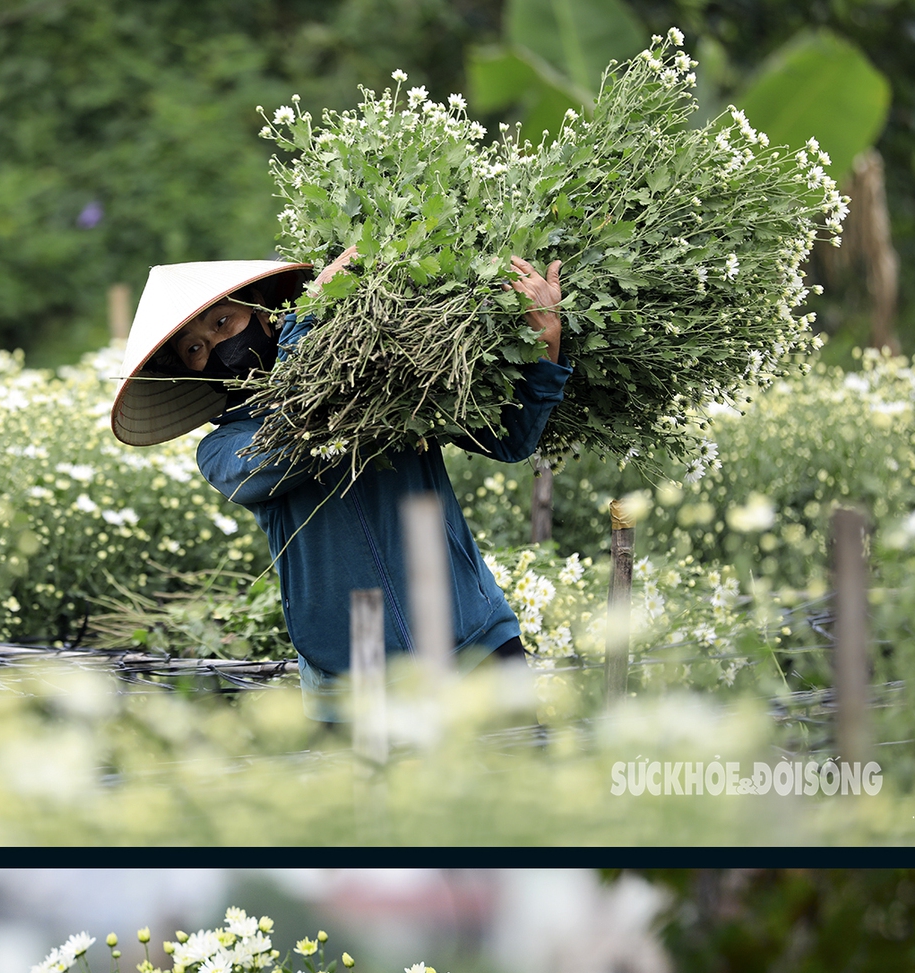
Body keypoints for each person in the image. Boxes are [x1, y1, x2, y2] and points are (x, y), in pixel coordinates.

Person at [108, 248, 569, 721]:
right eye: (195, 349)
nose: (218, 349)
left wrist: (545, 344)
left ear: (266, 316)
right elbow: (299, 436)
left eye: (223, 323)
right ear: (194, 373)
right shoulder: (224, 450)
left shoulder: (382, 376)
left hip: (474, 647)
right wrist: (308, 330)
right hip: (351, 689)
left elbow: (508, 440)